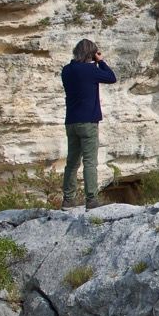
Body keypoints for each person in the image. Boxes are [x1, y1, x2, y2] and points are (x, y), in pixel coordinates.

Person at [61, 38, 117, 210]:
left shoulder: (66, 70)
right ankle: (91, 199)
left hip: (71, 121)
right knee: (90, 162)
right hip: (88, 122)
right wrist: (100, 61)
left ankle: (68, 200)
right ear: (91, 54)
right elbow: (111, 77)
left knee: (72, 162)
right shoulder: (91, 70)